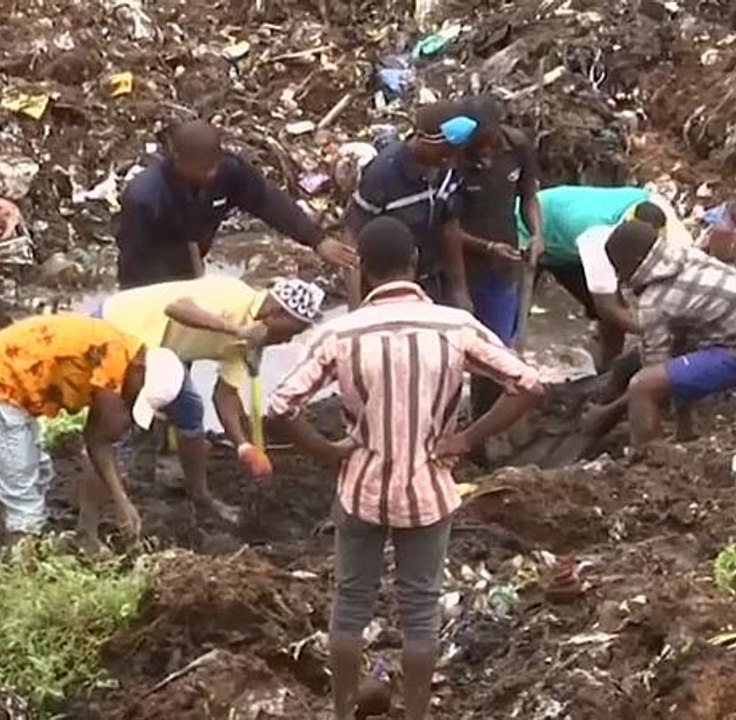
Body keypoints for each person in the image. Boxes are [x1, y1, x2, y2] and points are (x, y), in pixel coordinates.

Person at [266, 216, 543, 720]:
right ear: (415, 264)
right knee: (420, 612)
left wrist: (327, 451)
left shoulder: (341, 334)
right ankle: (417, 713)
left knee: (350, 605)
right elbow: (528, 384)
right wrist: (466, 436)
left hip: (361, 487)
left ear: (365, 272)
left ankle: (343, 711)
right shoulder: (455, 326)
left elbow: (280, 405)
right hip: (430, 488)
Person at [97, 275, 325, 521]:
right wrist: (237, 330)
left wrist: (244, 447)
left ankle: (199, 496)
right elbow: (177, 308)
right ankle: (108, 498)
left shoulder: (251, 343)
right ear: (277, 312)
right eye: (291, 332)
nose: (288, 340)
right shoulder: (232, 293)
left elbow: (224, 396)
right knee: (114, 421)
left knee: (189, 412)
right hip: (118, 325)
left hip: (157, 350)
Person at [0, 313, 186, 547]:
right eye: (138, 396)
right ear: (140, 370)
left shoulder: (127, 356)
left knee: (39, 473)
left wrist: (92, 526)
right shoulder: (113, 364)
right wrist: (122, 502)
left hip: (12, 385)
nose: (131, 402)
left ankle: (60, 537)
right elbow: (98, 444)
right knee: (23, 495)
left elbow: (99, 444)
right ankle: (20, 566)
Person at [115, 119, 356, 289]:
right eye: (201, 168)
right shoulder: (145, 197)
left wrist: (317, 240)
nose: (210, 174)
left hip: (191, 264)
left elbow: (268, 202)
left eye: (213, 166)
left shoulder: (228, 172)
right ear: (178, 160)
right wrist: (170, 296)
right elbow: (134, 259)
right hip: (148, 278)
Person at [440, 95, 543, 420]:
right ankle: (446, 421)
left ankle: (484, 426)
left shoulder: (518, 146)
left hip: (503, 268)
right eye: (474, 146)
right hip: (461, 270)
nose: (480, 152)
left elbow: (529, 197)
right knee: (454, 353)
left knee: (496, 352)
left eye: (484, 143)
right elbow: (447, 228)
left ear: (496, 131)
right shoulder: (453, 161)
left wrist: (537, 234)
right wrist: (486, 247)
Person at [515, 186, 693, 370]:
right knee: (512, 314)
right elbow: (608, 308)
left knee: (619, 309)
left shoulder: (671, 228)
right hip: (530, 228)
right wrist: (656, 333)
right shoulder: (599, 237)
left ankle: (606, 369)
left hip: (570, 241)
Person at [594, 221, 736, 447]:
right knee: (678, 358)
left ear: (630, 266)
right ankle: (685, 433)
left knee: (644, 385)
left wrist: (608, 413)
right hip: (725, 331)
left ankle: (649, 464)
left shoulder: (654, 301)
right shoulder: (685, 255)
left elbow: (654, 371)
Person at [344, 102, 462, 307]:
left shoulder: (445, 169)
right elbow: (351, 238)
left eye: (453, 154)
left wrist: (460, 290)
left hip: (431, 283)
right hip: (386, 289)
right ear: (421, 138)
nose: (450, 161)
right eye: (444, 153)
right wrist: (356, 306)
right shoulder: (383, 173)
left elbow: (449, 228)